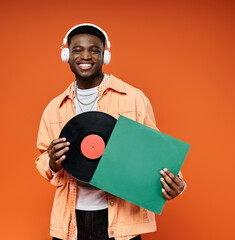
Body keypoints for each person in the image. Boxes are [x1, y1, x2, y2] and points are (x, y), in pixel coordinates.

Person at [35, 23, 186, 240]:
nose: (85, 56)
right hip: (69, 221)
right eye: (77, 50)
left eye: (94, 50)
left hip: (120, 222)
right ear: (66, 55)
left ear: (104, 56)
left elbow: (153, 149)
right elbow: (41, 160)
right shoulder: (54, 108)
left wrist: (177, 183)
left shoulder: (133, 98)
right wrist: (51, 161)